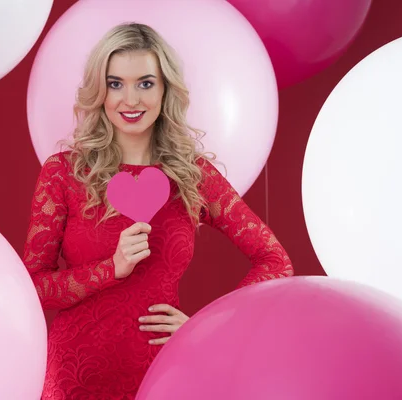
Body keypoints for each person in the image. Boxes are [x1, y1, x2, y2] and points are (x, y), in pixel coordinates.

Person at [23, 22, 293, 400]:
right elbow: (33, 288)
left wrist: (207, 326)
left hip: (165, 374)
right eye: (116, 83)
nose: (130, 99)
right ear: (99, 91)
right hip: (75, 378)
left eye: (145, 83)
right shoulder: (64, 172)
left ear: (165, 88)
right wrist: (110, 269)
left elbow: (275, 261)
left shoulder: (193, 176)